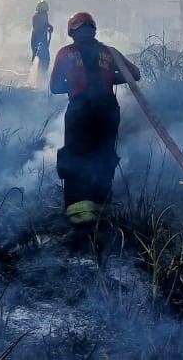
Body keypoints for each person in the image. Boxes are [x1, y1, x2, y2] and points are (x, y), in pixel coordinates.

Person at [49, 12, 141, 226]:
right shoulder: (110, 53)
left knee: (75, 156)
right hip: (108, 110)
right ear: (94, 30)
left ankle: (78, 212)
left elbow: (54, 88)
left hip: (80, 111)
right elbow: (134, 74)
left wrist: (73, 85)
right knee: (103, 155)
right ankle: (102, 209)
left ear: (72, 31)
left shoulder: (66, 53)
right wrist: (109, 77)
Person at [30, 0, 54, 73]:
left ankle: (43, 73)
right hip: (36, 40)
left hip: (43, 40)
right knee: (37, 56)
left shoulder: (45, 15)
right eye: (43, 11)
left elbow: (46, 23)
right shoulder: (36, 17)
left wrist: (50, 27)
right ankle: (35, 73)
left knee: (45, 58)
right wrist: (39, 41)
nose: (45, 13)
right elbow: (37, 29)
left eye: (45, 11)